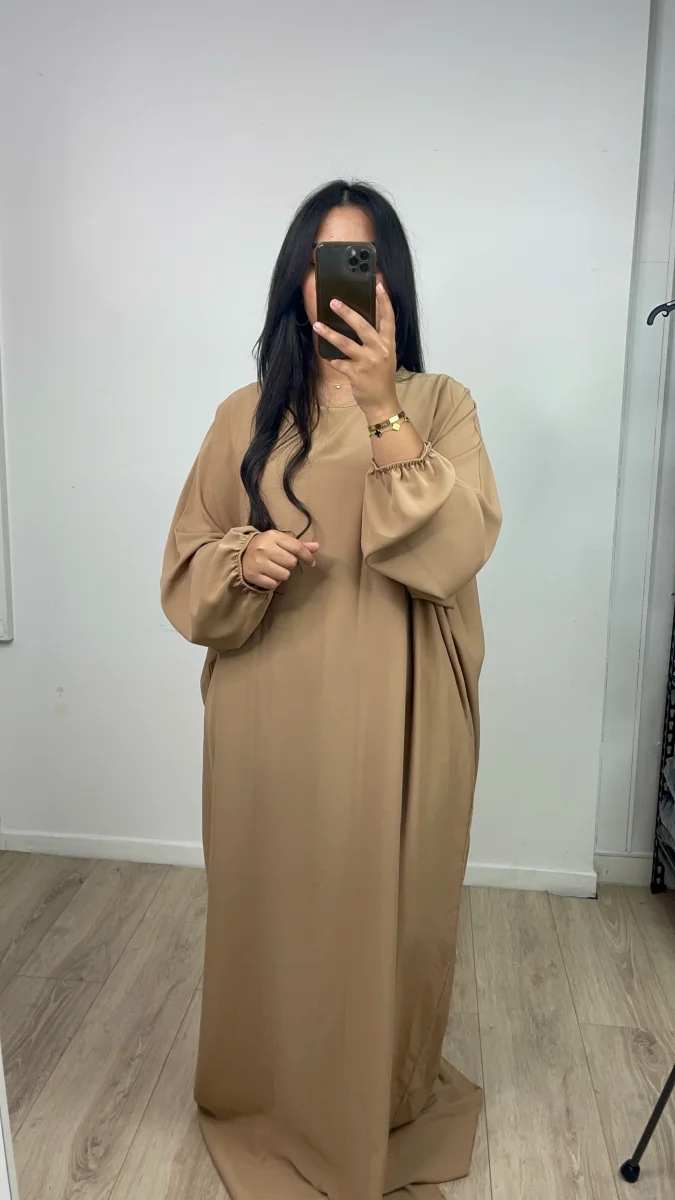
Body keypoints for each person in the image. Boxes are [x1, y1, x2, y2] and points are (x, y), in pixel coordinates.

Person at [161, 179, 501, 1200]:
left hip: (400, 719)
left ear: (390, 281)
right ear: (296, 278)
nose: (341, 281)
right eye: (324, 259)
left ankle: (375, 1100)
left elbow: (456, 549)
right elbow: (185, 560)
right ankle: (270, 1090)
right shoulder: (245, 416)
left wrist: (383, 403)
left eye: (362, 260)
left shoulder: (439, 405)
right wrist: (242, 557)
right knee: (274, 908)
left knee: (391, 918)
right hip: (271, 710)